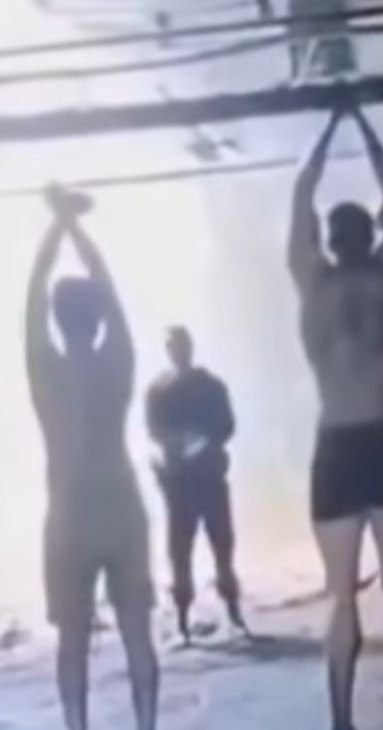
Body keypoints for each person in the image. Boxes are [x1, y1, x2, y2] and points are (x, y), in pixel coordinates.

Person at [289, 99, 383, 730]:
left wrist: (328, 129)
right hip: (382, 439)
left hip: (339, 444)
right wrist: (364, 127)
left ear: (330, 240)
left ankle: (343, 721)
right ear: (370, 236)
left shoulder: (314, 287)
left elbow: (301, 196)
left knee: (343, 596)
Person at [25, 186, 158, 730]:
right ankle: (146, 724)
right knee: (136, 634)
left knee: (73, 641)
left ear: (60, 321)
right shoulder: (117, 362)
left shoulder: (46, 371)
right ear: (99, 320)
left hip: (70, 509)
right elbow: (110, 292)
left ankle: (76, 724)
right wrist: (78, 231)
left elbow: (34, 297)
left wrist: (57, 225)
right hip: (119, 502)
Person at [145, 325, 245, 643]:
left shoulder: (210, 386)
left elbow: (227, 425)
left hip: (207, 477)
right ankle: (184, 620)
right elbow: (154, 430)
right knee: (180, 553)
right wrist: (179, 442)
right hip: (180, 482)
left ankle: (231, 612)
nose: (178, 352)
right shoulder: (159, 390)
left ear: (189, 347)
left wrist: (201, 440)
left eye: (181, 345)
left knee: (222, 547)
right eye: (173, 346)